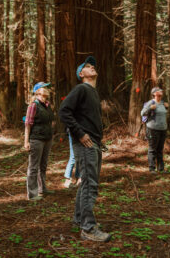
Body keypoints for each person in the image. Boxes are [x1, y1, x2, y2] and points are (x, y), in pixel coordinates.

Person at [59, 56, 111, 242]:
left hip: (94, 143)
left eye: (93, 65)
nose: (92, 67)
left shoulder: (93, 92)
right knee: (90, 184)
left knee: (86, 182)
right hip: (84, 143)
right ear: (81, 74)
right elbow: (64, 111)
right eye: (87, 66)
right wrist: (80, 134)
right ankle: (88, 229)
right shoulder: (81, 88)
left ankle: (80, 219)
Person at [24, 82, 54, 201]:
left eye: (47, 87)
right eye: (44, 87)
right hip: (36, 139)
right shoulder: (33, 105)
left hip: (47, 139)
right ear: (38, 91)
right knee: (33, 167)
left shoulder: (47, 105)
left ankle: (42, 189)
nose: (47, 89)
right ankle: (32, 194)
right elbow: (27, 124)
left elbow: (50, 121)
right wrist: (26, 142)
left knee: (43, 165)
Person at [141, 87, 168, 173]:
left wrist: (166, 108)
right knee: (152, 149)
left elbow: (162, 114)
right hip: (153, 129)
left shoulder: (163, 103)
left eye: (161, 91)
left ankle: (161, 168)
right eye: (159, 91)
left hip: (163, 129)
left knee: (160, 149)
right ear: (154, 94)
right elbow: (142, 113)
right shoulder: (151, 102)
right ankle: (152, 168)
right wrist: (150, 108)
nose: (161, 92)